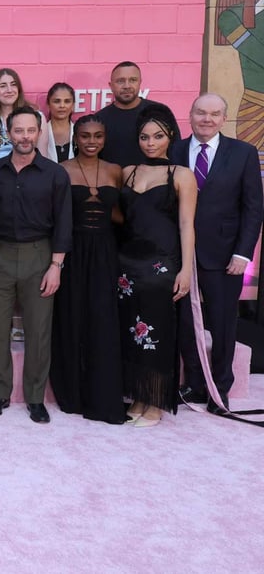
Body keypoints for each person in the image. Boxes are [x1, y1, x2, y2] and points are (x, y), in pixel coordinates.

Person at [175, 93, 263, 413]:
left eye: (214, 114)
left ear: (224, 119)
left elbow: (253, 208)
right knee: (186, 324)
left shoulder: (243, 153)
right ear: (191, 114)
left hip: (226, 257)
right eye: (201, 113)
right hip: (181, 258)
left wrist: (243, 254)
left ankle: (219, 390)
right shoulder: (173, 150)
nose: (207, 119)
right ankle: (196, 385)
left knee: (223, 325)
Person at [0, 107, 71, 425]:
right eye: (18, 131)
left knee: (38, 330)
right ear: (8, 133)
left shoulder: (55, 174)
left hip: (40, 256)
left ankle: (35, 398)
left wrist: (56, 265)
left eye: (30, 130)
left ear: (38, 132)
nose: (24, 137)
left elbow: (64, 222)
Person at [117, 109, 196, 426]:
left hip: (162, 267)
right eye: (145, 137)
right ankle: (138, 395)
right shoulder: (128, 173)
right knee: (131, 335)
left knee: (157, 336)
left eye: (158, 136)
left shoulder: (181, 175)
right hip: (126, 267)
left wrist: (186, 269)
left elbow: (188, 225)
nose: (151, 143)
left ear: (171, 137)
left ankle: (156, 402)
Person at [49, 115, 127, 424]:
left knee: (102, 319)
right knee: (71, 317)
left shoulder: (116, 171)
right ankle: (72, 393)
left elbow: (120, 216)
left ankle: (101, 393)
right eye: (84, 136)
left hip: (106, 252)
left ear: (104, 139)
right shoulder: (62, 171)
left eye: (97, 135)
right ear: (75, 138)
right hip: (72, 251)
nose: (91, 141)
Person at [95, 62, 181, 167]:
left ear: (140, 82)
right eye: (120, 81)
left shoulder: (159, 111)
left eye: (133, 80)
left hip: (157, 181)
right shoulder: (99, 119)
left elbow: (176, 149)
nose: (127, 86)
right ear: (111, 85)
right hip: (112, 181)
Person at [0, 68, 36, 163]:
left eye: (13, 85)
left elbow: (43, 156)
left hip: (28, 174)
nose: (9, 90)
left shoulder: (35, 116)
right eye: (3, 86)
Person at [41, 82, 77, 164]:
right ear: (48, 105)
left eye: (67, 101)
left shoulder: (80, 133)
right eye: (57, 101)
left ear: (73, 105)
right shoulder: (39, 134)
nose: (62, 105)